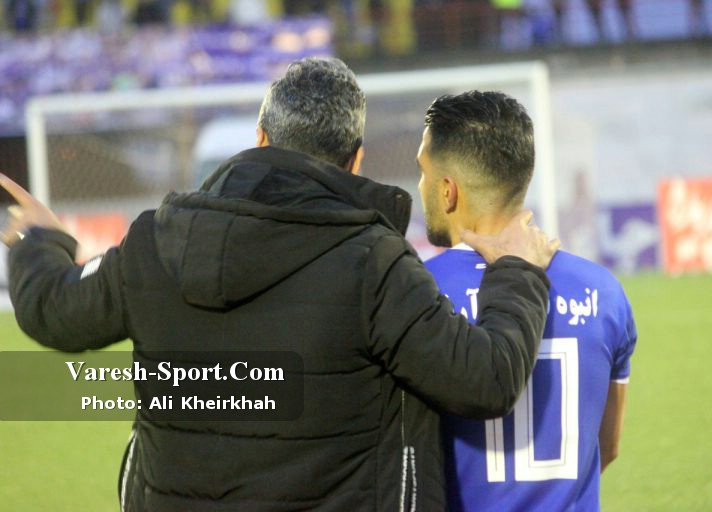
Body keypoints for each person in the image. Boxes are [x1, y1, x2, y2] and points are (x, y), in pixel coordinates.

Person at [2, 58, 558, 511]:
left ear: (261, 137)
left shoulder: (155, 240)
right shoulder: (374, 262)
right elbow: (486, 379)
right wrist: (517, 272)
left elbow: (51, 307)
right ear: (355, 161)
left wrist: (39, 241)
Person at [418, 91, 638, 511]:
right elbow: (605, 448)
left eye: (423, 173)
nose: (420, 185)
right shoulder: (604, 292)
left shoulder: (418, 291)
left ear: (447, 191)